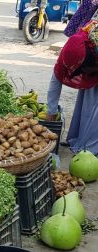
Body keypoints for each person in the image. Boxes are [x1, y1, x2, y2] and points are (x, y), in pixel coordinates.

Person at [46, 20, 98, 154]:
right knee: (86, 103)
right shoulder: (73, 48)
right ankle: (79, 139)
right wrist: (51, 111)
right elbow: (57, 77)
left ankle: (90, 149)